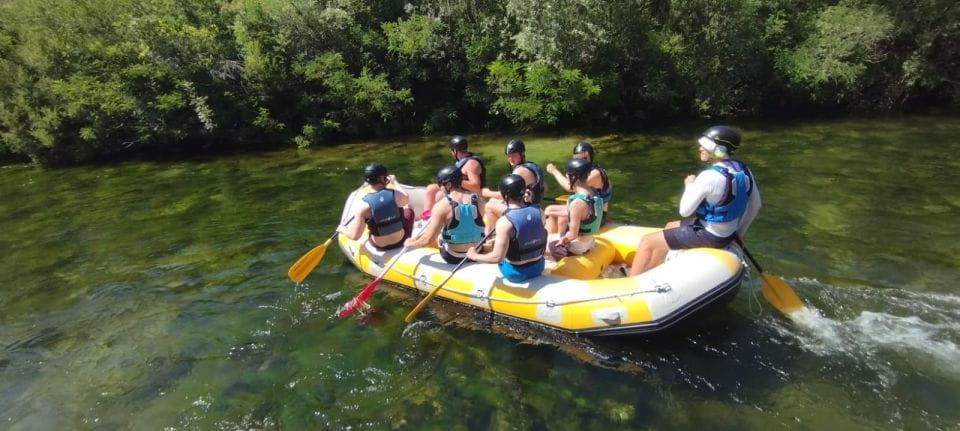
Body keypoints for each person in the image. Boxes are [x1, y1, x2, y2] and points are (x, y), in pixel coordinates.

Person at [630, 126, 762, 275]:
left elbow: (684, 211)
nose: (700, 148)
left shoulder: (709, 177)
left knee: (647, 242)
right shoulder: (743, 170)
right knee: (669, 226)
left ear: (717, 149)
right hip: (728, 232)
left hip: (711, 235)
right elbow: (756, 205)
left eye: (704, 146)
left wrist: (689, 185)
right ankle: (650, 272)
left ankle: (630, 285)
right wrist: (738, 233)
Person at [467, 174, 548, 283]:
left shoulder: (504, 222)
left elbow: (497, 258)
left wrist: (474, 256)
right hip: (538, 267)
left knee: (497, 253)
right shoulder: (539, 212)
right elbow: (531, 229)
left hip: (515, 273)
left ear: (505, 195)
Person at [404, 165, 486, 264]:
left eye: (441, 185)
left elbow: (427, 240)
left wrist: (411, 243)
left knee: (438, 235)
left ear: (448, 185)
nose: (440, 188)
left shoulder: (441, 206)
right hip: (477, 251)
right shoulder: (480, 201)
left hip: (454, 256)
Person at [338, 164, 414, 250]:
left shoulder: (363, 206)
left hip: (379, 245)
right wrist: (395, 182)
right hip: (400, 241)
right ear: (382, 178)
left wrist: (342, 229)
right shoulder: (395, 194)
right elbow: (406, 198)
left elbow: (355, 236)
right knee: (409, 210)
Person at [482, 139, 546, 232]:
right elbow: (545, 186)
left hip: (525, 210)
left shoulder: (520, 171)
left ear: (522, 154)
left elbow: (505, 195)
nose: (511, 159)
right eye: (509, 156)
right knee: (493, 200)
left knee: (489, 206)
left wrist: (487, 193)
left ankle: (496, 236)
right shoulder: (532, 166)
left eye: (514, 155)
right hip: (535, 207)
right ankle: (490, 231)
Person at [544, 158, 605, 258]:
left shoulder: (577, 204)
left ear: (573, 178)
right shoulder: (593, 193)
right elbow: (583, 215)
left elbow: (572, 235)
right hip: (589, 241)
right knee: (550, 216)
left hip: (577, 246)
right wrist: (550, 210)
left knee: (544, 243)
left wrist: (561, 241)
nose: (567, 178)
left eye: (567, 175)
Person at [422, 135, 486, 221]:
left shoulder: (471, 164)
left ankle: (440, 221)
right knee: (431, 189)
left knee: (439, 195)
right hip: (458, 189)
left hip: (471, 195)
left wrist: (455, 179)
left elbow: (476, 186)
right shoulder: (462, 161)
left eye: (451, 151)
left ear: (455, 151)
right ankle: (426, 220)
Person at [546, 141, 612, 219]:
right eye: (577, 159)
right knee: (550, 210)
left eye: (584, 158)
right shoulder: (587, 170)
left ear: (591, 157)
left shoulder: (595, 174)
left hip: (596, 216)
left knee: (559, 217)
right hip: (589, 209)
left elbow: (570, 187)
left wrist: (554, 172)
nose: (580, 161)